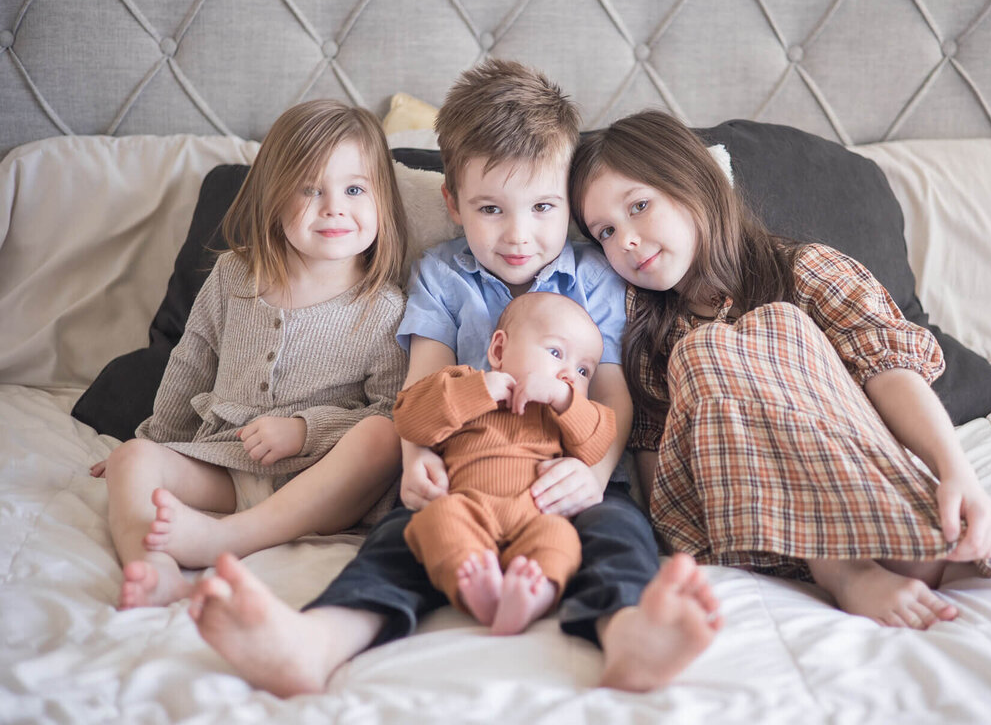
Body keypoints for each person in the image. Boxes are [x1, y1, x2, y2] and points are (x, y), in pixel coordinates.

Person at [188, 60, 722, 696]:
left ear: (570, 209)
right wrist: (415, 461)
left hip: (566, 478)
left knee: (618, 534)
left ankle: (628, 634)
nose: (519, 235)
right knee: (398, 541)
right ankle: (319, 638)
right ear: (452, 202)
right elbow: (418, 394)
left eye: (543, 207)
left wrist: (595, 474)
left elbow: (611, 393)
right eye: (491, 208)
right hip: (463, 480)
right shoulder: (442, 277)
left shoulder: (595, 276)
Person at [570, 109, 991, 630]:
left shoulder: (804, 268)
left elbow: (891, 371)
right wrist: (676, 541)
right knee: (706, 350)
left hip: (852, 475)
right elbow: (662, 468)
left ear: (696, 185)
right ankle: (840, 567)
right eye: (605, 231)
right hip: (742, 515)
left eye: (639, 206)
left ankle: (900, 532)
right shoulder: (651, 336)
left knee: (776, 324)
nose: (625, 240)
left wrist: (959, 477)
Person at [90, 99, 410, 609]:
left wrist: (306, 431)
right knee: (131, 459)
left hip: (322, 480)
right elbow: (190, 363)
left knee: (384, 435)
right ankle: (152, 568)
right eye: (310, 189)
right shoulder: (234, 277)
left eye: (354, 189)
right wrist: (157, 449)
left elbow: (390, 409)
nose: (333, 207)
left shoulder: (384, 307)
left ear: (382, 203)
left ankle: (232, 538)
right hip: (228, 461)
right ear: (274, 197)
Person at [398, 292, 616, 635]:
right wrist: (477, 390)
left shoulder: (562, 413)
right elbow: (410, 418)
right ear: (499, 350)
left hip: (537, 515)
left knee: (562, 539)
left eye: (584, 370)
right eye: (556, 353)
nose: (569, 375)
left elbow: (599, 442)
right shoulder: (463, 385)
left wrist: (563, 399)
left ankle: (533, 594)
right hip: (467, 507)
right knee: (437, 522)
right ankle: (473, 585)